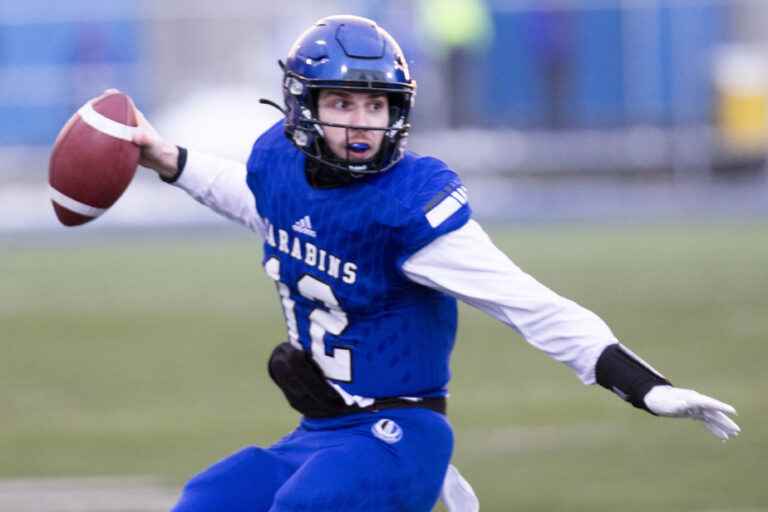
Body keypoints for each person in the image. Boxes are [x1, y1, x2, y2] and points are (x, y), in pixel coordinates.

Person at [130, 15, 740, 512]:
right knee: (208, 499)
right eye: (341, 103)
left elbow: (529, 305)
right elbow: (259, 204)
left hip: (398, 437)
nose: (361, 123)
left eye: (375, 106)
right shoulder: (278, 169)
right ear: (303, 106)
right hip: (323, 430)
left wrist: (645, 387)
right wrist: (170, 160)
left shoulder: (405, 206)